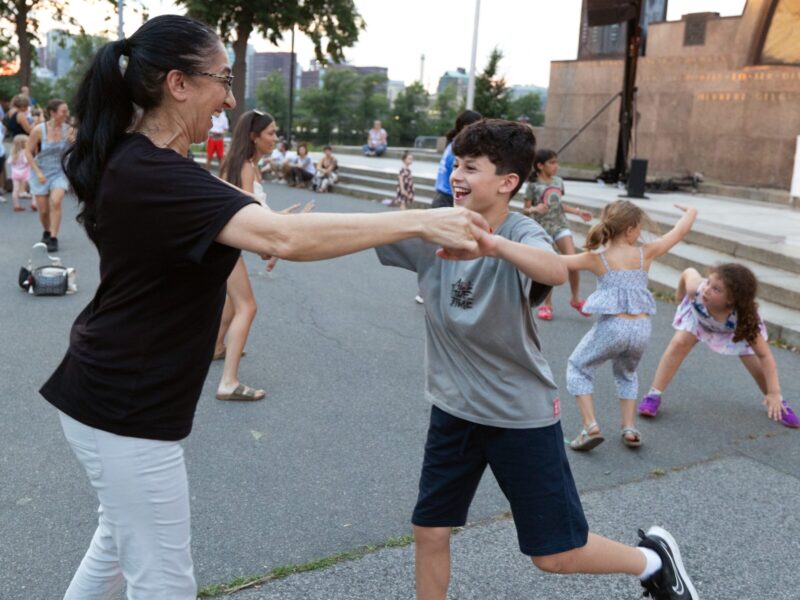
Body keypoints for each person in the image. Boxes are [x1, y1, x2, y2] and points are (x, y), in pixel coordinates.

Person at [42, 15, 486, 599]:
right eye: (221, 81)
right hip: (124, 406)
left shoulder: (137, 160)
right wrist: (426, 219)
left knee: (116, 547)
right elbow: (285, 241)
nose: (229, 98)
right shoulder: (156, 173)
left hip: (107, 394)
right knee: (164, 582)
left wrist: (268, 225)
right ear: (178, 84)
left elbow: (269, 227)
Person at [375, 119, 698, 600]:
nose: (457, 175)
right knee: (430, 531)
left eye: (470, 167)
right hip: (454, 410)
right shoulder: (437, 224)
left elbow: (550, 267)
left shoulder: (523, 231)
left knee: (555, 555)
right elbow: (363, 234)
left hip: (517, 415)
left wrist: (492, 245)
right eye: (455, 164)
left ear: (507, 183)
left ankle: (652, 561)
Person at [560, 200, 698, 451]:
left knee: (578, 367)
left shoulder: (596, 258)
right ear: (632, 229)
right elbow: (679, 232)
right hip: (642, 329)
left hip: (614, 327)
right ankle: (629, 428)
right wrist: (691, 212)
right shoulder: (646, 252)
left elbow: (559, 262)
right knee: (627, 374)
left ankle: (590, 427)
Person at [213, 109, 310, 401]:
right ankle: (228, 382)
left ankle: (217, 347)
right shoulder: (244, 167)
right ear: (254, 137)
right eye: (271, 133)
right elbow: (246, 217)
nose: (276, 138)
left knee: (234, 300)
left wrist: (279, 219)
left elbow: (249, 212)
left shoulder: (247, 165)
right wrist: (275, 237)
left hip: (223, 244)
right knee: (247, 306)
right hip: (221, 246)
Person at [638, 264, 799, 429]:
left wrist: (774, 391)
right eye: (708, 282)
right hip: (699, 320)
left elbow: (765, 356)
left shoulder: (744, 319)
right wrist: (680, 293)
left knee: (754, 363)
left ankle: (777, 403)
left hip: (732, 329)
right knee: (679, 344)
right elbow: (688, 272)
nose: (707, 289)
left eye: (716, 289)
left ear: (731, 300)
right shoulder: (697, 290)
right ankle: (653, 395)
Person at [523, 149, 593, 321]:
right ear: (540, 165)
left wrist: (578, 211)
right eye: (552, 163)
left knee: (573, 261)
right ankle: (547, 305)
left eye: (557, 162)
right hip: (541, 229)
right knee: (550, 265)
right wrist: (534, 209)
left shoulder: (558, 181)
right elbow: (525, 209)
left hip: (560, 225)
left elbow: (558, 203)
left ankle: (576, 299)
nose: (556, 166)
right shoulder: (532, 185)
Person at [25, 98, 73, 252]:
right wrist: (38, 172)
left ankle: (53, 237)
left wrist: (75, 143)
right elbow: (28, 151)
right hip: (41, 171)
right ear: (52, 113)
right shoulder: (39, 130)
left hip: (59, 171)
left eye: (67, 111)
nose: (66, 114)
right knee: (44, 210)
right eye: (63, 111)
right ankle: (46, 231)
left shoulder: (69, 130)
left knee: (56, 201)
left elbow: (78, 151)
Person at [432, 109, 482, 208]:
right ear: (465, 127)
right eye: (478, 127)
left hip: (442, 197)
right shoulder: (458, 148)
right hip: (447, 200)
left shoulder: (453, 143)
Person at [10, 134, 33, 212]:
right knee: (33, 187)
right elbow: (27, 161)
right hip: (25, 173)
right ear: (24, 143)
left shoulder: (13, 153)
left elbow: (9, 162)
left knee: (15, 189)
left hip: (15, 174)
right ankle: (34, 203)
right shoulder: (25, 152)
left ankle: (16, 205)